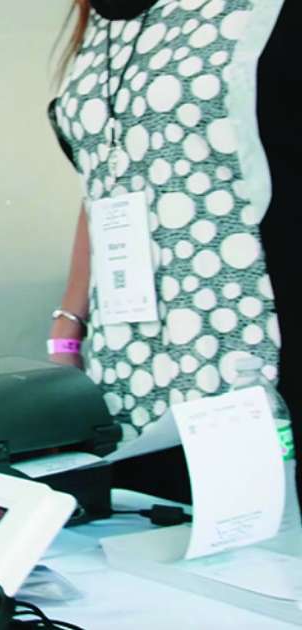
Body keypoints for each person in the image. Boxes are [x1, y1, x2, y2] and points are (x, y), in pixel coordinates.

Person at [47, 0, 298, 505]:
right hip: (132, 349)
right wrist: (70, 316)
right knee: (154, 524)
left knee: (262, 534)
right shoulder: (97, 23)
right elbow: (103, 182)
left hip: (241, 322)